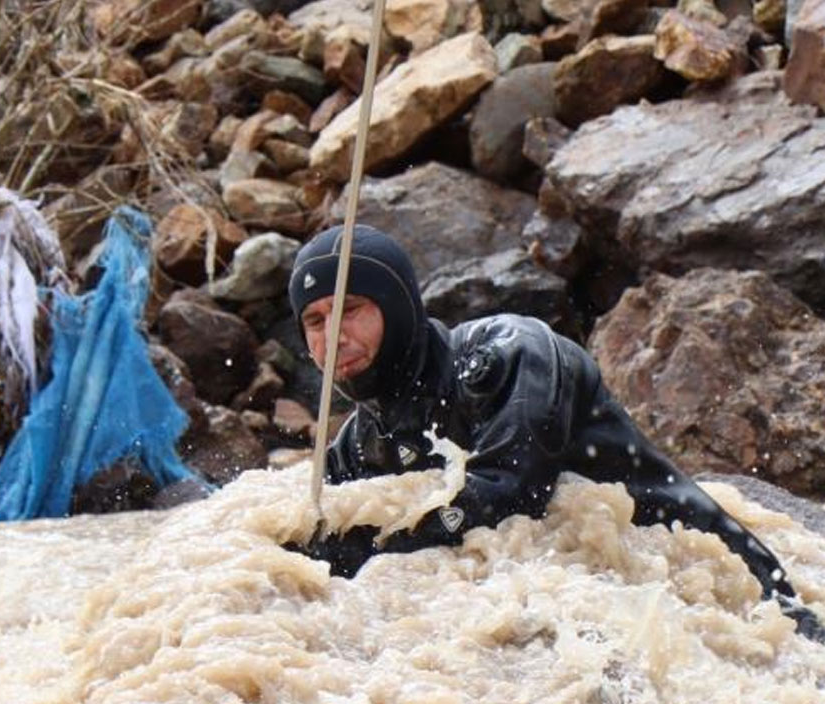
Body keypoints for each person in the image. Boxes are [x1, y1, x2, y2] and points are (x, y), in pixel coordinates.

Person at [286, 224, 824, 641]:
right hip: (547, 625)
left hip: (721, 602)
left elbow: (509, 495)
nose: (333, 338)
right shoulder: (358, 444)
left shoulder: (509, 356)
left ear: (398, 306)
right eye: (314, 321)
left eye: (351, 310)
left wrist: (374, 545)